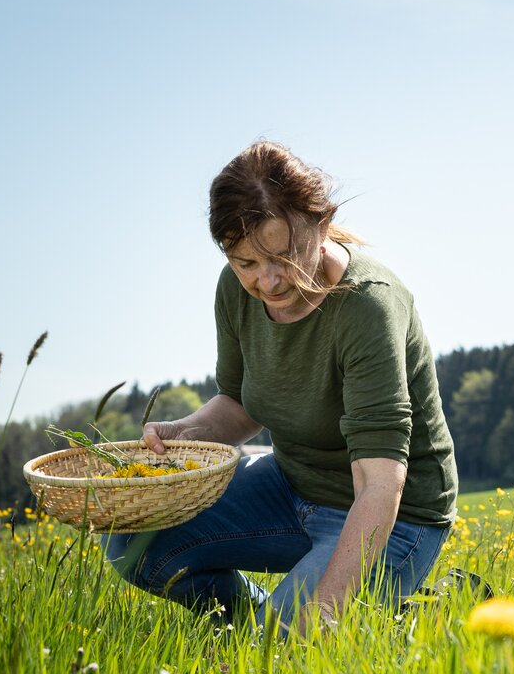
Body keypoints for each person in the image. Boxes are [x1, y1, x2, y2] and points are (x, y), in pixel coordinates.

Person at [102, 140, 457, 636]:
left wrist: (325, 610)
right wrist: (183, 432)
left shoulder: (367, 307)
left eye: (284, 256)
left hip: (394, 517)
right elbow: (241, 404)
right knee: (133, 545)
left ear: (321, 225)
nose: (267, 281)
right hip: (291, 488)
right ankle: (261, 622)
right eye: (245, 262)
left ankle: (401, 612)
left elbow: (381, 484)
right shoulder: (234, 291)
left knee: (284, 645)